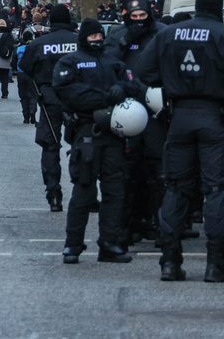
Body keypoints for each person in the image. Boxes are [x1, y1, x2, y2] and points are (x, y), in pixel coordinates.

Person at [135, 0, 224, 283]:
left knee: (176, 188)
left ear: (196, 6)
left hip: (179, 118)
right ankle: (216, 263)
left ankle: (170, 261)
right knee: (215, 190)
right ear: (219, 7)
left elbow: (143, 72)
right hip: (215, 118)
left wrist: (171, 80)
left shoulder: (168, 35)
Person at [53, 18, 137, 265]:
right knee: (83, 191)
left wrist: (122, 89)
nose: (97, 40)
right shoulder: (70, 62)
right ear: (83, 38)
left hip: (114, 133)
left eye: (100, 36)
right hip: (86, 131)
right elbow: (68, 92)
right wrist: (105, 97)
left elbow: (134, 85)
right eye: (92, 36)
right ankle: (73, 245)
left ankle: (109, 244)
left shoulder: (114, 62)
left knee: (115, 190)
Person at [106, 0, 164, 244]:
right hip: (127, 108)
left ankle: (154, 220)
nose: (139, 20)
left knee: (157, 169)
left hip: (155, 108)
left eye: (143, 15)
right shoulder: (118, 35)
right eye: (134, 16)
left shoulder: (160, 33)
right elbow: (108, 64)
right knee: (128, 170)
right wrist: (123, 43)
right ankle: (129, 222)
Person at [21, 4, 77, 212]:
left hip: (49, 100)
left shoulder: (39, 44)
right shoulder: (78, 41)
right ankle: (85, 192)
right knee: (82, 145)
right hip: (77, 101)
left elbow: (25, 68)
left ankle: (53, 193)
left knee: (50, 147)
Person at [12, 31, 36, 124]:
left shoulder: (18, 49)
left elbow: (13, 62)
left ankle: (26, 117)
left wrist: (16, 69)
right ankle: (33, 110)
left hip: (21, 73)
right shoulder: (34, 48)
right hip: (32, 74)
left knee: (23, 96)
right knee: (33, 94)